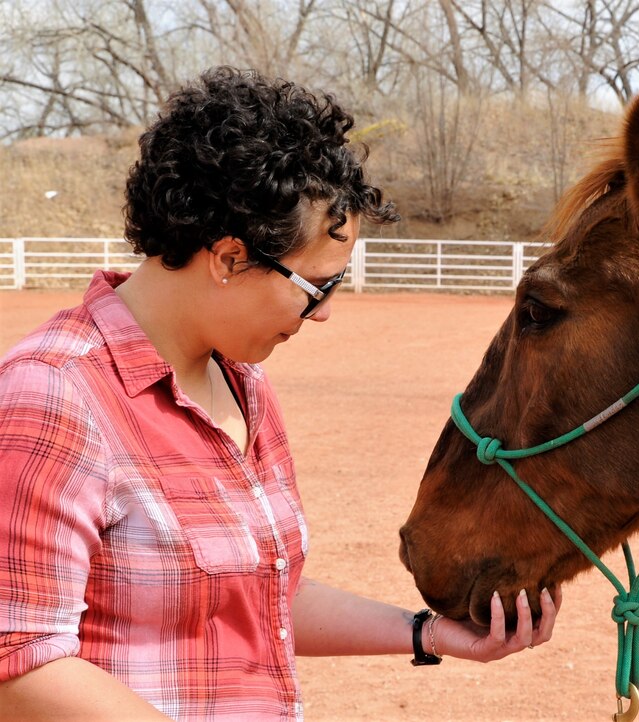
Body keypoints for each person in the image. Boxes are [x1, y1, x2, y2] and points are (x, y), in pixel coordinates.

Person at [0, 66, 560, 720]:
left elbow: (257, 597)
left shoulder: (244, 385)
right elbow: (20, 663)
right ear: (230, 258)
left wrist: (428, 634)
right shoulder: (53, 394)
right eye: (315, 287)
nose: (323, 314)